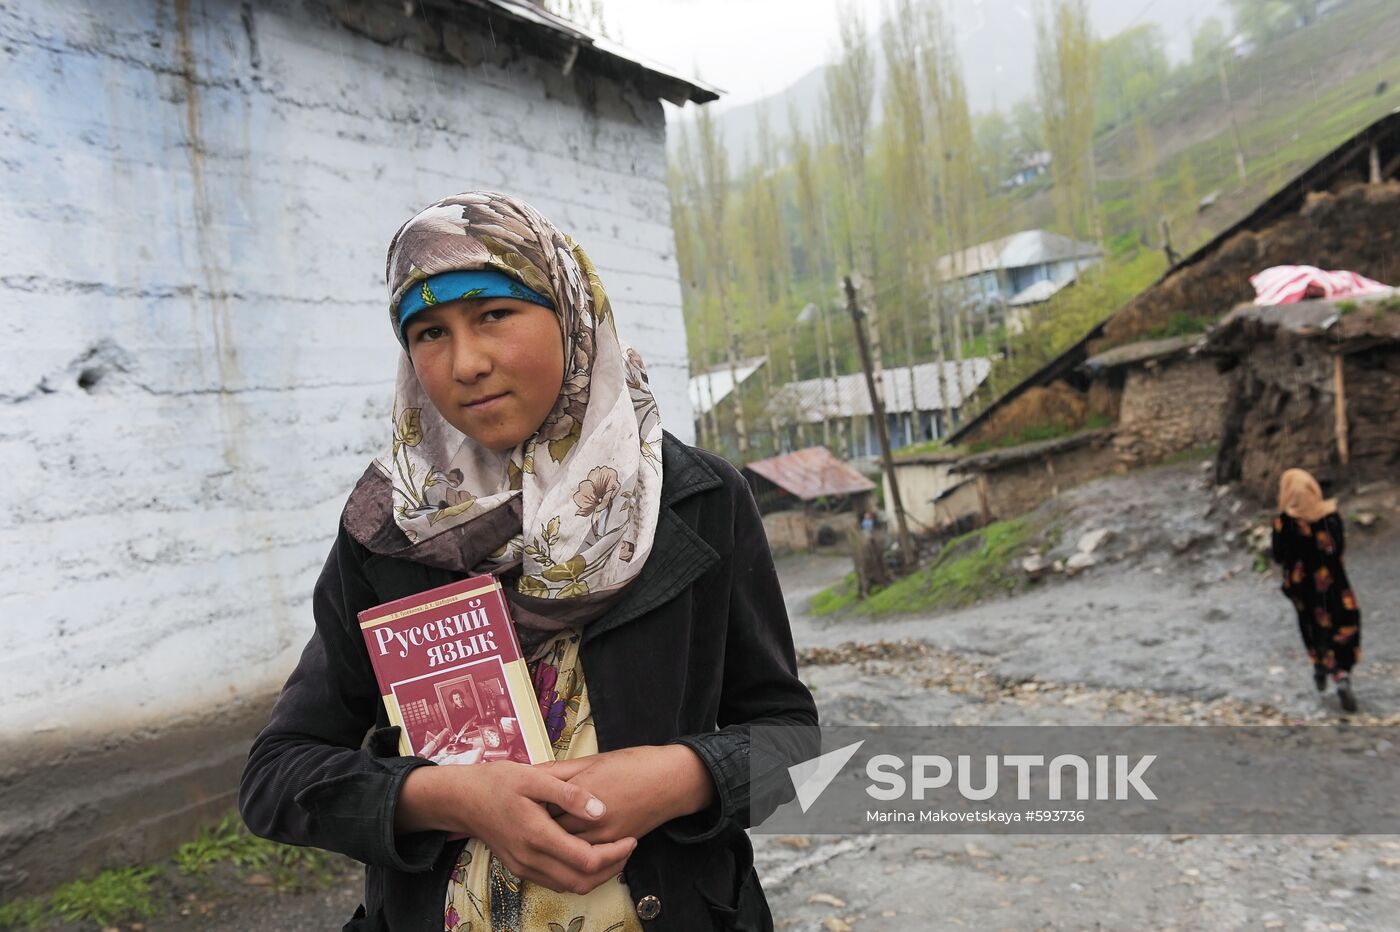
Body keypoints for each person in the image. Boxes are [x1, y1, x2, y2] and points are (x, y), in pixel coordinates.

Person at [238, 191, 818, 931]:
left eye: (493, 314)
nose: (465, 363)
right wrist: (450, 798)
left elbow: (791, 742)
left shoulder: (696, 501)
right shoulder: (394, 529)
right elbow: (277, 775)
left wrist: (680, 778)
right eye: (428, 332)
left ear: (570, 312)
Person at [1270, 468, 1362, 712]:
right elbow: (1339, 547)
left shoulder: (1284, 523)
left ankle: (1321, 666)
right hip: (1334, 583)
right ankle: (1341, 673)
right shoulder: (1330, 516)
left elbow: (1279, 556)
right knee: (1344, 621)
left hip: (1303, 588)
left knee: (1313, 626)